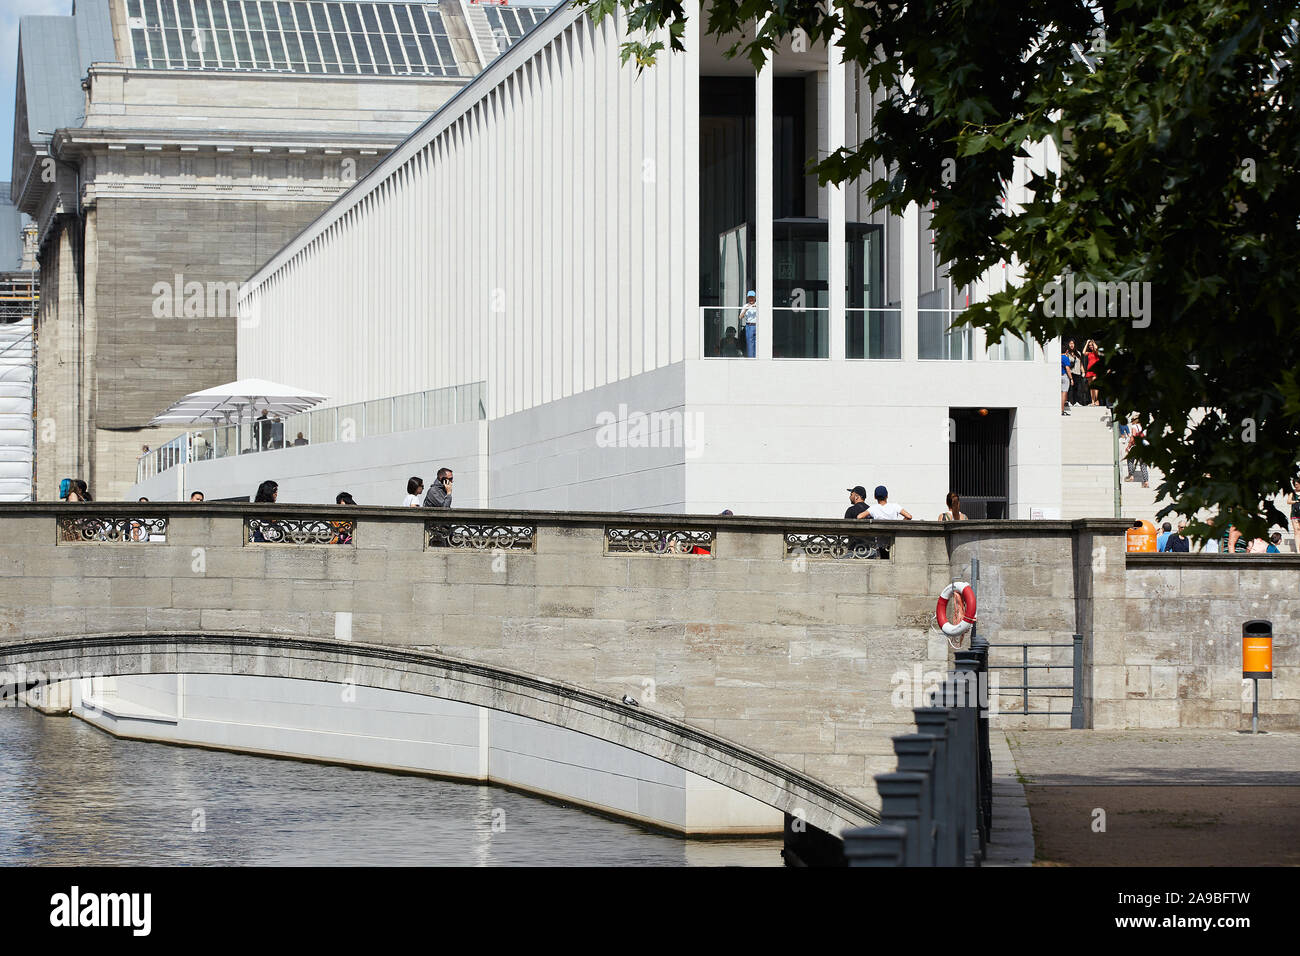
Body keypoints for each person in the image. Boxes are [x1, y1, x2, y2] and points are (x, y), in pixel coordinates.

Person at [738, 291, 758, 358]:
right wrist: (746, 309)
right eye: (749, 297)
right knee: (750, 343)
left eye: (752, 297)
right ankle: (751, 358)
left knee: (757, 343)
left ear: (755, 298)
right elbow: (740, 317)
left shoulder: (758, 305)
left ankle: (757, 357)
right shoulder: (745, 306)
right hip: (749, 326)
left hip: (757, 325)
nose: (751, 299)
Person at [1084, 340, 1101, 405]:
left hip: (1095, 370)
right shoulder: (1089, 353)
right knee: (1091, 387)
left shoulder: (1097, 352)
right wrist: (1086, 343)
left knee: (1095, 386)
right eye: (1090, 346)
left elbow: (1096, 348)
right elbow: (1083, 352)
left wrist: (1094, 343)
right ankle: (1093, 401)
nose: (1091, 346)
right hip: (1089, 371)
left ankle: (1097, 401)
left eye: (1092, 345)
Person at [1289, 479, 1300, 550]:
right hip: (1294, 514)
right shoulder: (1292, 492)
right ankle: (1298, 549)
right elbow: (1288, 501)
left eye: (1297, 484)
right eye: (1295, 484)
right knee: (1296, 531)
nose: (1296, 486)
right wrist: (1296, 501)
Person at [1060, 349, 1071, 416]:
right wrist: (1071, 378)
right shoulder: (1065, 358)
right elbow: (1067, 368)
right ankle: (1062, 410)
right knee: (1064, 393)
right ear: (1066, 351)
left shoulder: (1056, 356)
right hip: (1064, 376)